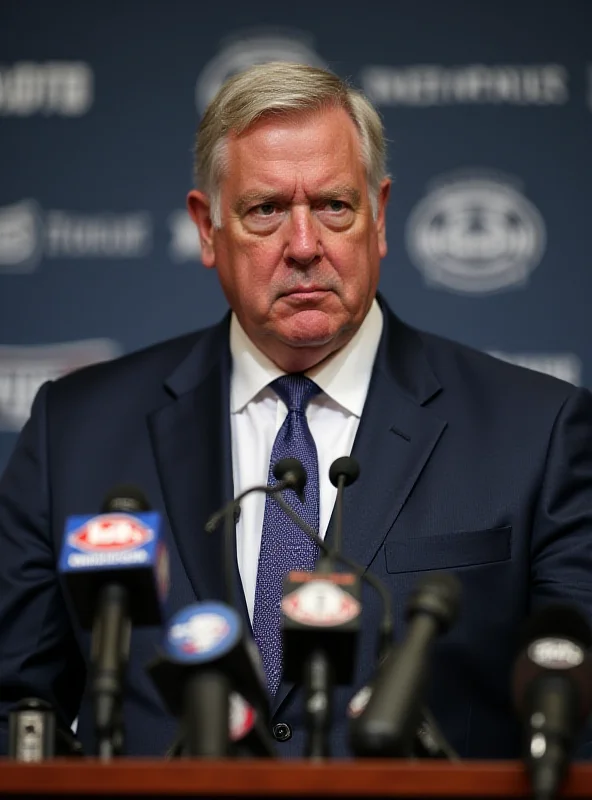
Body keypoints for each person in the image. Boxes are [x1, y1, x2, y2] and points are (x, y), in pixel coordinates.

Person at [1, 61, 592, 759]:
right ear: (206, 227)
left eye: (335, 206)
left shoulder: (538, 432)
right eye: (266, 210)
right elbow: (15, 707)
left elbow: (577, 719)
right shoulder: (77, 430)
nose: (306, 246)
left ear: (380, 217)